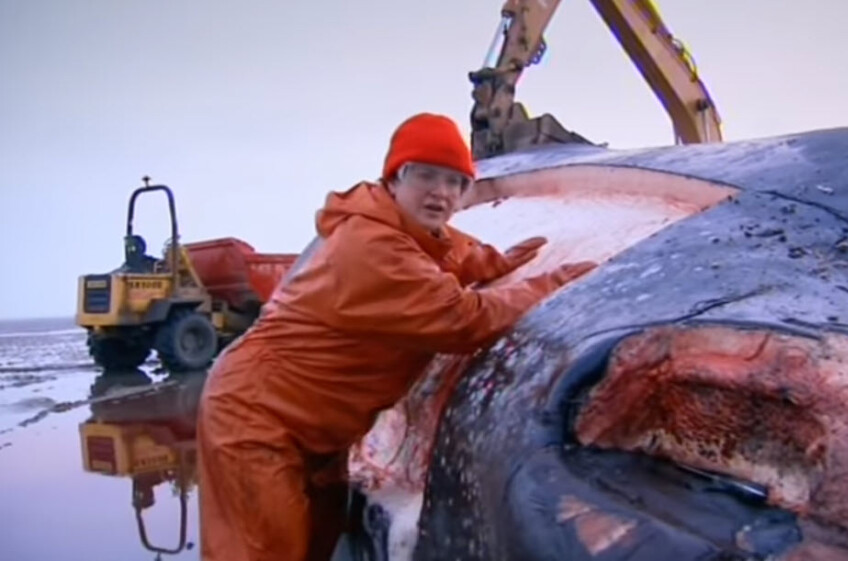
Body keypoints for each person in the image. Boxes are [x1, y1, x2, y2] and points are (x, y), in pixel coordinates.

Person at [196, 112, 597, 561]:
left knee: (315, 541)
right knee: (264, 551)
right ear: (394, 179)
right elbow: (465, 320)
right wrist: (551, 282)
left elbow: (449, 248)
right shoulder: (371, 247)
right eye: (425, 175)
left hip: (312, 426)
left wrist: (494, 262)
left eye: (454, 182)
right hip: (257, 416)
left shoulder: (396, 228)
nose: (440, 193)